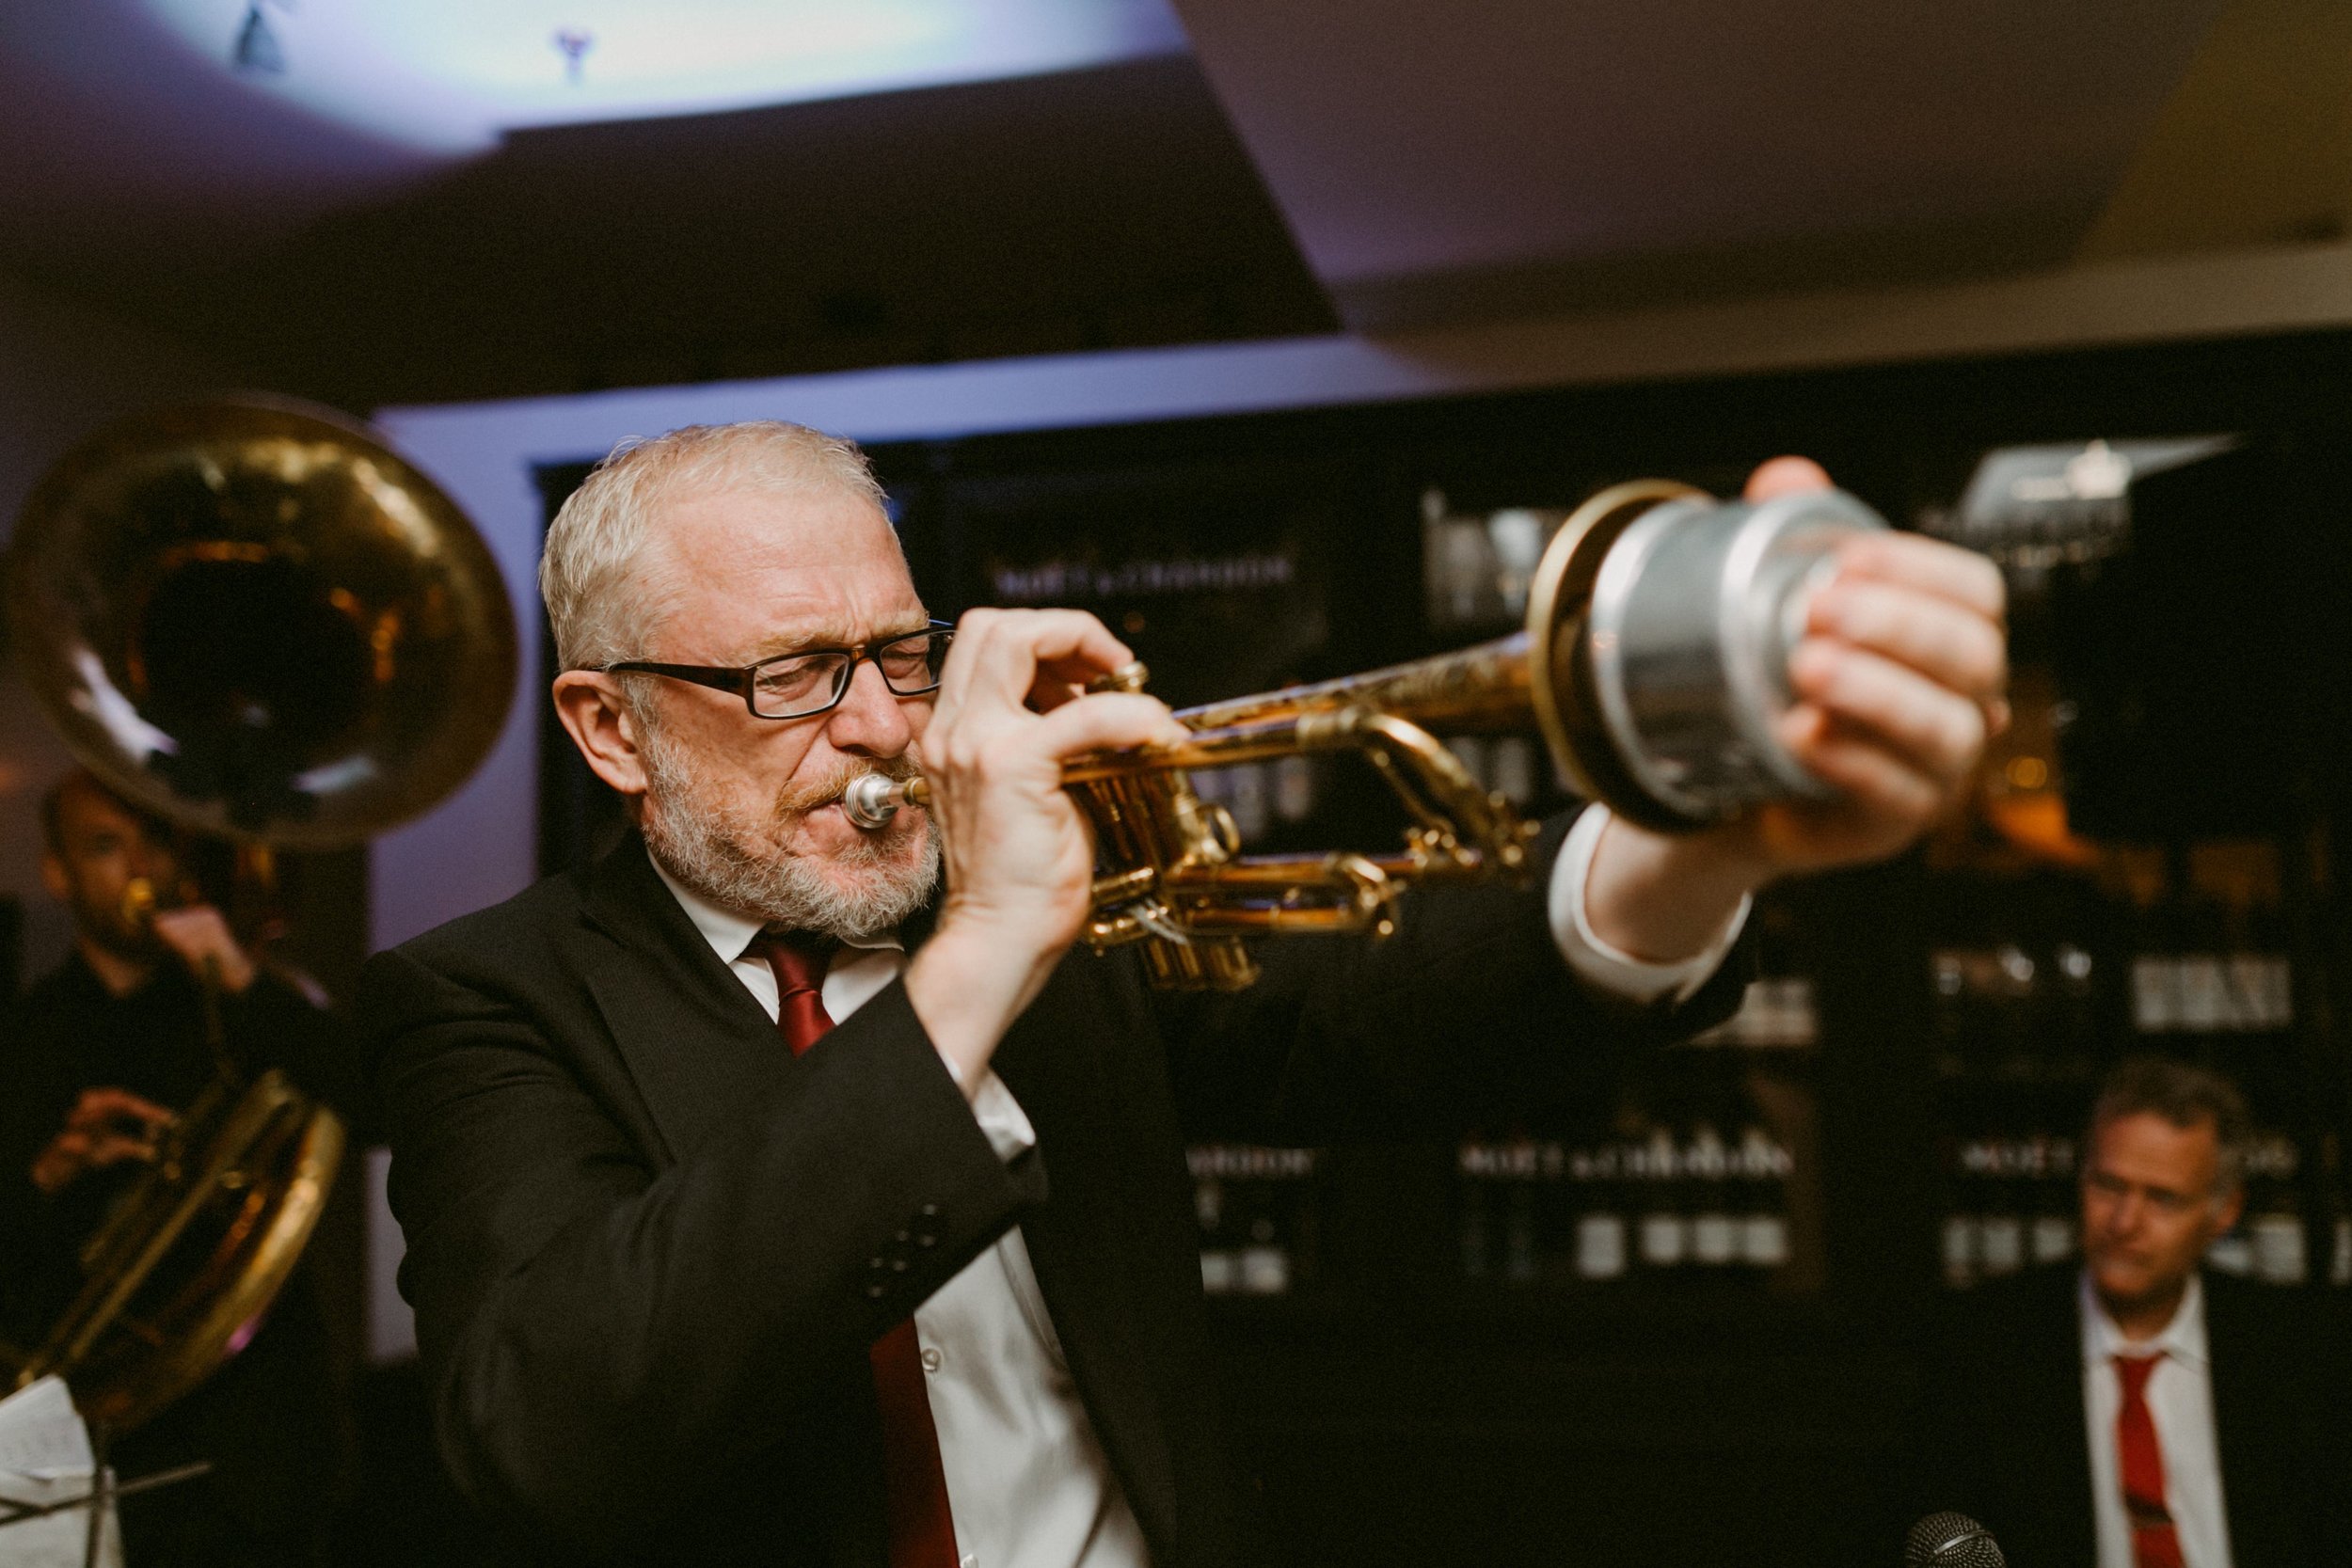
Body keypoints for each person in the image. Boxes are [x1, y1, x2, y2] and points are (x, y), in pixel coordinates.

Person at [359, 422, 2008, 1565]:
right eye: (793, 674)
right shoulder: (486, 1000)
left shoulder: (1077, 921)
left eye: (903, 653)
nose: (876, 726)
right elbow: (554, 1427)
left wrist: (1704, 833)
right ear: (609, 728)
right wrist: (984, 950)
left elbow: (1386, 1006)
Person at [0, 769, 354, 1567]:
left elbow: (377, 1103)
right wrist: (51, 1175)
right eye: (104, 846)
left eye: (154, 839)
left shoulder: (236, 999)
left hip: (264, 1438)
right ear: (58, 874)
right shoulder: (24, 1039)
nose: (139, 867)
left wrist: (239, 976)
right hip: (109, 1454)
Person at [1920, 1058, 2352, 1568]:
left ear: (2223, 1213)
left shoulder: (2301, 1349)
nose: (2124, 1222)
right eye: (2108, 1185)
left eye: (2162, 1199)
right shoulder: (1981, 1344)